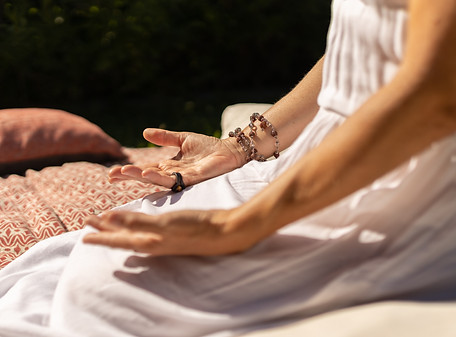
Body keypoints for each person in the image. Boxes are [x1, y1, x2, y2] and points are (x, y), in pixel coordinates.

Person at [0, 0, 455, 336]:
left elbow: (433, 96)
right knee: (54, 268)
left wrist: (240, 225)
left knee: (110, 292)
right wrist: (241, 146)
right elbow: (368, 43)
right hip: (331, 160)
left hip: (409, 188)